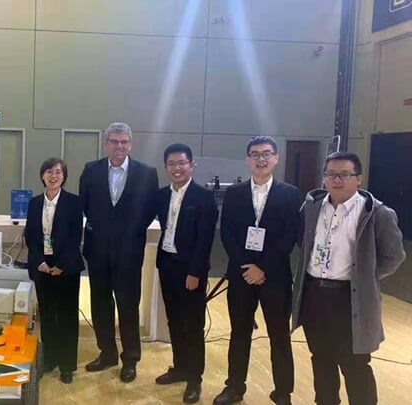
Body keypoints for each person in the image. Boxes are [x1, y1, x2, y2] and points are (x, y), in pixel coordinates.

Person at [291, 152, 405, 405]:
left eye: (344, 174)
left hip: (350, 299)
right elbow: (303, 242)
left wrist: (365, 278)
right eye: (331, 174)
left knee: (355, 365)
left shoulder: (377, 213)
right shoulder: (311, 207)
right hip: (314, 296)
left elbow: (394, 255)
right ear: (324, 178)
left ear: (358, 179)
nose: (337, 180)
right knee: (321, 360)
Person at [214, 136, 300, 405]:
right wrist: (248, 266)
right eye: (255, 154)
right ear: (247, 159)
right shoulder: (234, 193)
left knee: (279, 335)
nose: (261, 159)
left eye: (266, 154)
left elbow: (289, 237)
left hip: (275, 277)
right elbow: (227, 233)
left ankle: (282, 392)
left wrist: (262, 268)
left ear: (276, 158)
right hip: (241, 275)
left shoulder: (290, 194)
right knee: (239, 333)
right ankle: (234, 387)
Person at [79, 122, 158, 383]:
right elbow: (86, 205)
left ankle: (130, 359)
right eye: (114, 141)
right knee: (100, 305)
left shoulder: (147, 173)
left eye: (124, 142)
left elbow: (150, 209)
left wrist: (129, 231)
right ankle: (107, 353)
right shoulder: (91, 170)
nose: (119, 146)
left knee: (128, 306)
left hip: (129, 252)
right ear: (106, 144)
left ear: (130, 145)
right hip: (98, 250)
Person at [154, 144, 217, 403]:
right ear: (166, 167)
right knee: (174, 321)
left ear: (191, 165)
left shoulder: (204, 198)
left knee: (193, 325)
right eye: (171, 163)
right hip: (167, 265)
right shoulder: (161, 195)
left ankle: (194, 378)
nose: (177, 168)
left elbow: (205, 240)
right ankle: (180, 368)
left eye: (181, 163)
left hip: (190, 270)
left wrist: (195, 272)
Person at [24, 158, 84, 384]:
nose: (54, 176)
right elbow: (30, 236)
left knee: (67, 316)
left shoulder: (74, 202)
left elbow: (75, 237)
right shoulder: (34, 203)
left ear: (64, 176)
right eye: (49, 171)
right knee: (47, 316)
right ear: (42, 175)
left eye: (58, 172)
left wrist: (62, 265)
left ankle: (67, 365)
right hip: (43, 267)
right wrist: (39, 261)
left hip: (66, 268)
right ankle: (49, 359)